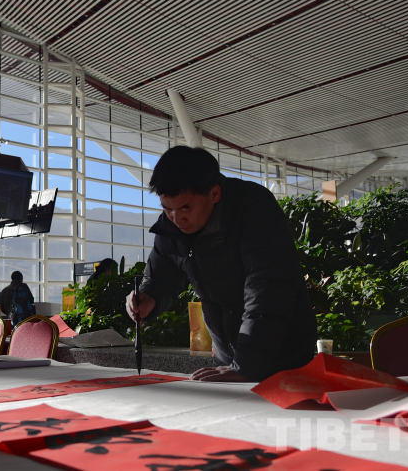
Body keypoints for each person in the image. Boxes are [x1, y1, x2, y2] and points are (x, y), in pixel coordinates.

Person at [125, 146, 316, 383]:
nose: (176, 218)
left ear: (215, 193)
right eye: (167, 208)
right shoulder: (170, 227)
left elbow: (268, 289)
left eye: (186, 208)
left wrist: (246, 366)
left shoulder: (253, 207)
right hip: (230, 361)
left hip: (284, 360)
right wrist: (148, 298)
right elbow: (161, 278)